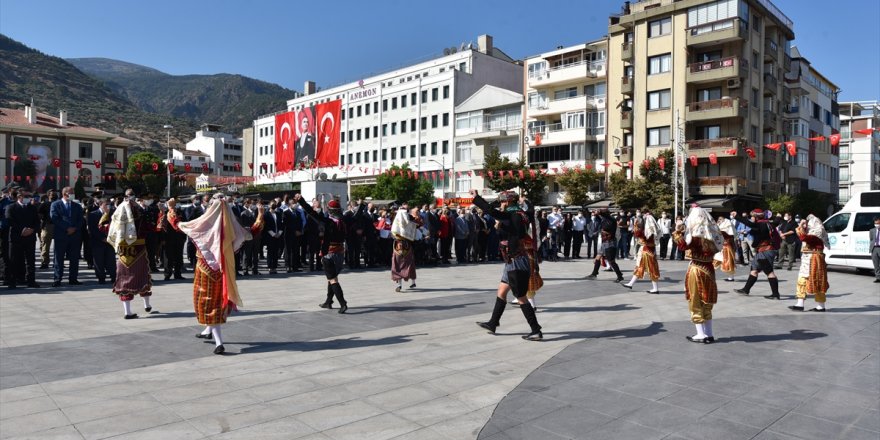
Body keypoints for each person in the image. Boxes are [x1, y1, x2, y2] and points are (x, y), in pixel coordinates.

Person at [177, 194, 252, 354]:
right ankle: (207, 331)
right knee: (216, 302)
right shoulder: (231, 225)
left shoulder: (203, 224)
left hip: (205, 269)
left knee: (208, 303)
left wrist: (170, 210)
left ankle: (219, 342)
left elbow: (180, 225)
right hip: (222, 269)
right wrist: (259, 218)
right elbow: (247, 233)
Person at [472, 190, 543, 341]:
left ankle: (536, 330)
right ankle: (493, 322)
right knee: (502, 291)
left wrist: (476, 198)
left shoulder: (513, 215)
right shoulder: (523, 214)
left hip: (517, 260)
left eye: (503, 201)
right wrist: (526, 201)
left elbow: (491, 211)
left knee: (521, 297)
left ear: (509, 202)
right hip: (511, 260)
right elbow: (530, 210)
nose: (501, 204)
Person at [671, 205, 724, 344]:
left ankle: (700, 334)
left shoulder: (695, 236)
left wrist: (677, 232)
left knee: (695, 300)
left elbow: (682, 246)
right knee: (707, 302)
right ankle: (709, 334)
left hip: (697, 268)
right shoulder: (712, 235)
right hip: (709, 269)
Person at [106, 189, 154, 319]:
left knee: (124, 279)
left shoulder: (118, 211)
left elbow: (107, 228)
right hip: (138, 248)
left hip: (123, 250)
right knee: (142, 276)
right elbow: (150, 228)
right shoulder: (141, 211)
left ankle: (128, 311)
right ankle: (146, 305)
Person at [297, 193, 349, 313]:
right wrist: (362, 206)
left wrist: (302, 201)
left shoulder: (328, 222)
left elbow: (311, 212)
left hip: (328, 254)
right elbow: (356, 215)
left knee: (333, 280)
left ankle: (343, 303)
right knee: (331, 278)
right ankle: (328, 301)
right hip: (340, 254)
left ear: (330, 211)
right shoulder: (343, 221)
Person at [735, 208, 782, 300]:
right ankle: (746, 289)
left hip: (765, 251)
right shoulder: (768, 223)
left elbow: (750, 224)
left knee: (769, 272)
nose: (752, 218)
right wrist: (778, 217)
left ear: (756, 217)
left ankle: (775, 294)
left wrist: (737, 217)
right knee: (754, 270)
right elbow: (776, 222)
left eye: (753, 216)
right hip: (762, 251)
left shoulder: (761, 224)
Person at [789, 215, 830, 312]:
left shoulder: (815, 235)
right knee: (819, 281)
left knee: (803, 279)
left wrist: (800, 225)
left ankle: (800, 304)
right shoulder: (817, 233)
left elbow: (803, 237)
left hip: (812, 259)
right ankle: (820, 305)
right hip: (813, 258)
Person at [5, 188, 40, 288]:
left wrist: (32, 230)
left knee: (30, 261)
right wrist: (23, 230)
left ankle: (31, 281)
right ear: (19, 197)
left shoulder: (32, 208)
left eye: (29, 196)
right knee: (14, 260)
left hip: (30, 238)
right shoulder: (11, 207)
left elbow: (37, 222)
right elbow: (10, 221)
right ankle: (12, 282)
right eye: (26, 196)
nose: (29, 199)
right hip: (16, 238)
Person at [49, 186, 83, 287]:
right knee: (58, 258)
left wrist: (74, 228)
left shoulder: (77, 206)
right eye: (71, 192)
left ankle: (73, 278)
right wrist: (67, 228)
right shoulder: (55, 205)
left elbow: (80, 220)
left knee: (74, 258)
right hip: (61, 235)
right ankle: (57, 279)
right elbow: (54, 218)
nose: (73, 194)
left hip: (74, 236)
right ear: (65, 194)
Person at [622, 210, 661, 293]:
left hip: (647, 252)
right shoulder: (652, 231)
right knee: (640, 267)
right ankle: (631, 283)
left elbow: (639, 235)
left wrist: (637, 227)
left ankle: (655, 288)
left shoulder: (648, 232)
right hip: (648, 251)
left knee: (651, 269)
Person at [585, 209, 624, 282]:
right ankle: (594, 273)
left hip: (610, 242)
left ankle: (619, 275)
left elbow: (605, 220)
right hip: (604, 242)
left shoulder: (611, 220)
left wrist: (600, 212)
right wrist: (597, 213)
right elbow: (600, 219)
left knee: (611, 261)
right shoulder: (604, 219)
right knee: (598, 257)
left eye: (602, 214)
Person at [391, 203, 421, 292]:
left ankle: (411, 281)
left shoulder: (408, 217)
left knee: (405, 263)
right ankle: (401, 284)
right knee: (400, 263)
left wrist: (416, 219)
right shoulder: (399, 217)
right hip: (400, 243)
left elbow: (418, 224)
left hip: (404, 243)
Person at [88, 198, 116, 284]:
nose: (108, 206)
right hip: (98, 241)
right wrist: (102, 238)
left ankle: (113, 276)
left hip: (110, 241)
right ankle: (101, 277)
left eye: (109, 204)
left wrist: (110, 238)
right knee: (98, 260)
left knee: (111, 260)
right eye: (106, 204)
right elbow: (92, 229)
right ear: (100, 205)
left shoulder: (113, 214)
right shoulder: (93, 214)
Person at [160, 198, 187, 280]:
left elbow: (184, 224)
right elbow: (162, 227)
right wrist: (162, 239)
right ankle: (167, 274)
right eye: (171, 204)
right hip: (168, 238)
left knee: (178, 257)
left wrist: (183, 237)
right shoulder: (165, 213)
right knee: (168, 258)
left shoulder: (180, 212)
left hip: (179, 238)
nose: (173, 205)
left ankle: (177, 274)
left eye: (174, 204)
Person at [184, 195, 205, 267]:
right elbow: (188, 218)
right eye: (196, 199)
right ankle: (191, 259)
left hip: (202, 231)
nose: (197, 200)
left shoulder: (203, 208)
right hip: (193, 230)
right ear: (192, 200)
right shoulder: (189, 209)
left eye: (198, 198)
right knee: (191, 245)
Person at [262, 200, 282, 274]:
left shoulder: (278, 214)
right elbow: (266, 226)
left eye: (275, 204)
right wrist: (273, 234)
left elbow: (280, 225)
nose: (274, 205)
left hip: (278, 235)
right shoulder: (266, 214)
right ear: (269, 205)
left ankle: (275, 267)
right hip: (270, 236)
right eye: (272, 204)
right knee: (270, 252)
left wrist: (279, 233)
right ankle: (270, 267)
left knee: (276, 252)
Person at [37, 189, 56, 269]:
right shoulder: (44, 204)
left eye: (54, 194)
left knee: (59, 246)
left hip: (57, 225)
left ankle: (57, 261)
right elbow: (39, 214)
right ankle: (45, 262)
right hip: (47, 226)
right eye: (52, 194)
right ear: (48, 195)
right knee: (45, 245)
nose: (53, 195)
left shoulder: (59, 204)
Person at [714, 216, 737, 282]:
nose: (719, 220)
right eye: (718, 219)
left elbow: (730, 235)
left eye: (721, 219)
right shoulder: (719, 225)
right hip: (721, 247)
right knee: (715, 260)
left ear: (724, 219)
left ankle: (731, 277)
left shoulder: (728, 225)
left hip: (726, 247)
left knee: (728, 262)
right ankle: (710, 275)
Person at [872, 217, 880, 283]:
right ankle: (878, 278)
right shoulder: (872, 230)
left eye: (878, 223)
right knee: (876, 264)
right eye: (875, 223)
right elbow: (871, 239)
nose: (876, 224)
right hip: (874, 248)